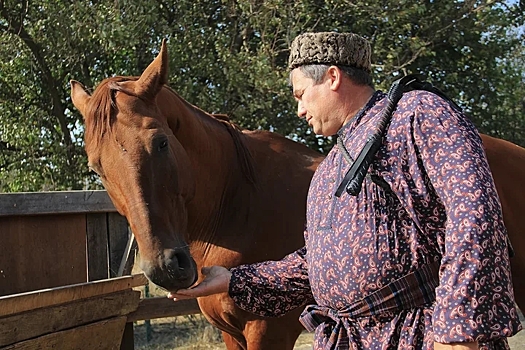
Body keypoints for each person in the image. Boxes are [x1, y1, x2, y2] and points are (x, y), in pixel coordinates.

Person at [168, 31, 522, 350]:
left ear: (333, 77)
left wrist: (459, 330)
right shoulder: (329, 170)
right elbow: (315, 264)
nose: (299, 109)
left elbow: (475, 215)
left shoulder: (417, 115)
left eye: (302, 95)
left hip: (420, 335)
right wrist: (233, 280)